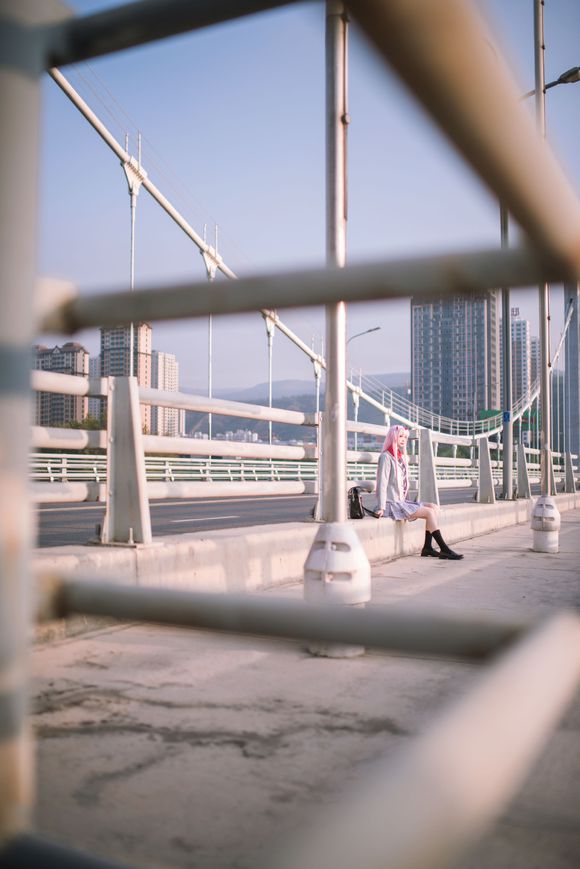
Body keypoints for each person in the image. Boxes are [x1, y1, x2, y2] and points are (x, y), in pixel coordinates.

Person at [374, 424, 464, 560]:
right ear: (393, 437)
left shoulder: (400, 457)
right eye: (400, 436)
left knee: (433, 507)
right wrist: (381, 507)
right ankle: (444, 548)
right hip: (390, 504)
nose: (403, 439)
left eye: (405, 437)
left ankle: (428, 547)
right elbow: (382, 483)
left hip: (401, 502)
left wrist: (408, 502)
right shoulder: (386, 457)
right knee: (429, 513)